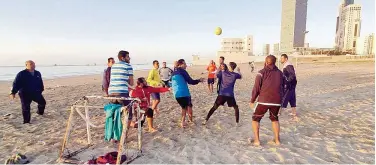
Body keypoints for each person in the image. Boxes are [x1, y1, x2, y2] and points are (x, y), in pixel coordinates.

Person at [250, 55, 285, 146]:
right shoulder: (280, 73)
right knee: (275, 119)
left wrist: (252, 100)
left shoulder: (261, 72)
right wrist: (281, 100)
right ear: (275, 62)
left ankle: (257, 141)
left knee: (256, 119)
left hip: (263, 100)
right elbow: (283, 87)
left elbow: (256, 88)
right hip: (277, 101)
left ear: (265, 62)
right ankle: (277, 140)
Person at [171, 59, 204, 128]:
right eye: (185, 64)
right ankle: (191, 120)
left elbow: (171, 83)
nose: (186, 65)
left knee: (183, 107)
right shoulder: (183, 71)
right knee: (189, 106)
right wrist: (199, 80)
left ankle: (182, 122)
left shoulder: (173, 72)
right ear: (180, 64)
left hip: (176, 94)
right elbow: (190, 81)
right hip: (184, 93)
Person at [108, 50, 135, 127]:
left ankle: (115, 135)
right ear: (123, 58)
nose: (129, 58)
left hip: (111, 92)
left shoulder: (113, 66)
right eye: (128, 57)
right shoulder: (128, 66)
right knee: (129, 112)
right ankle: (125, 134)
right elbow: (131, 83)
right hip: (121, 92)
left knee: (115, 113)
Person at [280, 54, 298, 120]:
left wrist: (287, 82)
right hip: (291, 85)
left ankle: (278, 112)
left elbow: (292, 75)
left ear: (286, 59)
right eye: (281, 58)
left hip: (289, 85)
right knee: (292, 98)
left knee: (284, 98)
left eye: (282, 58)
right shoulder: (287, 65)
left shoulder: (288, 65)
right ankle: (294, 113)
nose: (281, 60)